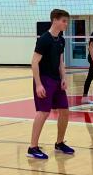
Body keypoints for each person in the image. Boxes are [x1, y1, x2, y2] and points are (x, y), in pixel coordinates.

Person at [29, 9, 75, 160]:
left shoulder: (61, 40)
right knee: (43, 112)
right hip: (45, 79)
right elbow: (34, 62)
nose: (66, 24)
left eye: (66, 21)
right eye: (63, 21)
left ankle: (59, 143)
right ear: (55, 20)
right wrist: (38, 84)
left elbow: (61, 61)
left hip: (56, 79)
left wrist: (64, 77)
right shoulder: (44, 39)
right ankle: (33, 147)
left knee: (65, 111)